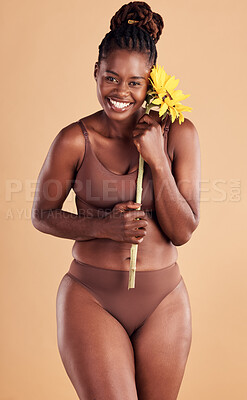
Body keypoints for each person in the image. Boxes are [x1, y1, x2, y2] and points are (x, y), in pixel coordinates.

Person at [31, 1, 201, 399]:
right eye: (110, 78)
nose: (120, 92)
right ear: (96, 73)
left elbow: (184, 231)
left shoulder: (179, 134)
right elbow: (42, 213)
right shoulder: (74, 139)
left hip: (164, 301)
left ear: (151, 84)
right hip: (91, 297)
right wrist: (104, 227)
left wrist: (158, 161)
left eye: (134, 82)